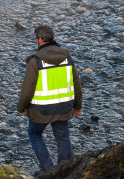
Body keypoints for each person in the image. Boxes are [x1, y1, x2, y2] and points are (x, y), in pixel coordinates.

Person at [18, 25, 82, 169]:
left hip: (41, 110)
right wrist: (77, 107)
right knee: (63, 137)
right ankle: (66, 168)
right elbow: (77, 85)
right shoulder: (67, 58)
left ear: (40, 40)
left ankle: (47, 167)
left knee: (34, 134)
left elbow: (27, 89)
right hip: (63, 108)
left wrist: (21, 108)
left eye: (35, 38)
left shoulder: (35, 61)